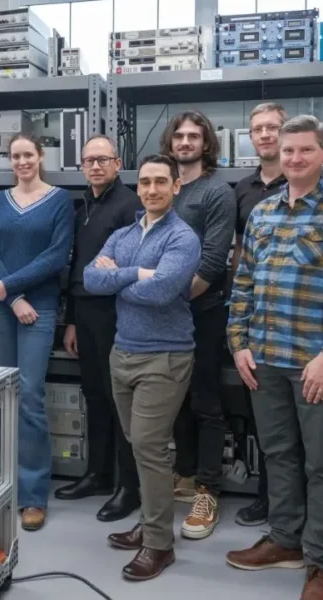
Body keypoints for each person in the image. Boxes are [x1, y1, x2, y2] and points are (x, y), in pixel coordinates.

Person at [225, 115, 323, 600]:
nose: (294, 158)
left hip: (314, 363)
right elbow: (242, 283)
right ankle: (286, 540)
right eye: (288, 151)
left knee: (322, 464)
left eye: (305, 150)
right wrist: (239, 343)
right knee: (280, 455)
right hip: (264, 358)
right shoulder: (263, 213)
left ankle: (321, 561)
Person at [84, 154, 201, 582]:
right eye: (145, 182)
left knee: (149, 448)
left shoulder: (183, 238)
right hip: (123, 352)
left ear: (176, 188)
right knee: (139, 445)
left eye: (160, 182)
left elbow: (163, 292)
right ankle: (152, 522)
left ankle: (159, 544)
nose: (152, 189)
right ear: (138, 188)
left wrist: (120, 279)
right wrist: (139, 273)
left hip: (165, 356)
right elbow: (90, 280)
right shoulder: (124, 234)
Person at [0, 133, 74, 532]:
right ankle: (5, 484)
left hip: (41, 309)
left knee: (31, 396)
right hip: (4, 307)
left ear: (40, 157)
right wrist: (14, 296)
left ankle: (33, 494)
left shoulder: (61, 201)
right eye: (15, 156)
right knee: (6, 393)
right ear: (9, 160)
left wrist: (14, 288)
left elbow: (56, 255)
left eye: (28, 155)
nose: (22, 162)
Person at [54, 134, 142, 523]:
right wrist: (71, 318)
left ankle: (130, 487)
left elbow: (126, 270)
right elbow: (78, 268)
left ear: (117, 163)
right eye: (88, 161)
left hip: (115, 314)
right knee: (94, 395)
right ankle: (98, 474)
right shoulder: (84, 205)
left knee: (117, 399)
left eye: (102, 160)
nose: (94, 166)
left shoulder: (129, 206)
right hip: (85, 313)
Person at [161, 110, 236, 540]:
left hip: (202, 312)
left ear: (206, 144)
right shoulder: (165, 187)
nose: (186, 142)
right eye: (180, 136)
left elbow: (212, 261)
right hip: (165, 316)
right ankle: (185, 475)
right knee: (174, 399)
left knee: (206, 402)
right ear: (170, 143)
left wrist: (167, 300)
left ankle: (208, 489)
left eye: (194, 137)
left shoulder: (216, 192)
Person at [230, 102, 289, 527]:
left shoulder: (313, 186)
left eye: (273, 128)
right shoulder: (243, 190)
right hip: (254, 319)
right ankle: (269, 501)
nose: (265, 135)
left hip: (300, 327)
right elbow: (239, 259)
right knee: (265, 419)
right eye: (258, 129)